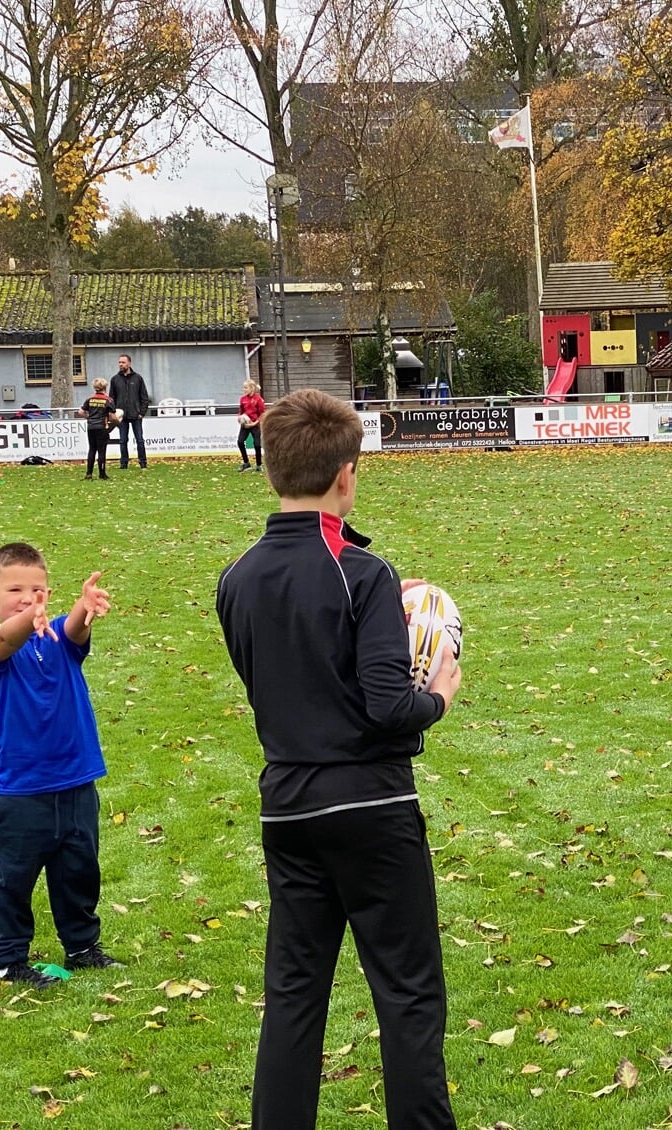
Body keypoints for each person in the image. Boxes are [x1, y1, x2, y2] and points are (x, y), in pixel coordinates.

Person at [215, 389, 463, 1130]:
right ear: (347, 475)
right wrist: (439, 697)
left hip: (286, 806)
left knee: (294, 994)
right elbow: (389, 706)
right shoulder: (365, 574)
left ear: (266, 467)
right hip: (370, 808)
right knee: (408, 991)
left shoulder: (236, 578)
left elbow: (283, 681)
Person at [0, 542, 124, 990]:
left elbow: (75, 630)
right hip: (21, 792)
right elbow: (8, 637)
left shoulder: (59, 640)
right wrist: (27, 617)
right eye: (15, 589)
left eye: (37, 590)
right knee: (14, 879)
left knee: (79, 870)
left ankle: (82, 946)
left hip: (76, 781)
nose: (27, 597)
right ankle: (11, 959)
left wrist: (83, 606)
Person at [109, 354, 151, 468]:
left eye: (123, 362)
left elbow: (144, 397)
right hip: (121, 416)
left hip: (136, 415)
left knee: (140, 440)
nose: (120, 364)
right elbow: (111, 398)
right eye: (119, 362)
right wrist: (113, 413)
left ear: (129, 363)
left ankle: (143, 463)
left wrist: (142, 412)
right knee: (123, 440)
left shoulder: (138, 378)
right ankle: (123, 463)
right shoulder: (115, 379)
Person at [82, 378, 118, 480]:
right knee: (101, 451)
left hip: (91, 427)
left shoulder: (90, 399)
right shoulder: (108, 400)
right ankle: (102, 474)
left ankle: (89, 473)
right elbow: (112, 415)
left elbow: (81, 411)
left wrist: (89, 418)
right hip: (101, 427)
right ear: (105, 387)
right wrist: (117, 421)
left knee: (92, 449)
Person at [238, 379, 266, 471]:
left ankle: (258, 465)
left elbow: (262, 413)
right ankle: (246, 463)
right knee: (240, 442)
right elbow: (241, 412)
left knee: (257, 445)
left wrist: (255, 423)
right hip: (245, 425)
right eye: (244, 388)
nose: (244, 389)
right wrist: (239, 418)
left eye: (246, 388)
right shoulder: (242, 399)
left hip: (255, 425)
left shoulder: (258, 399)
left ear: (252, 388)